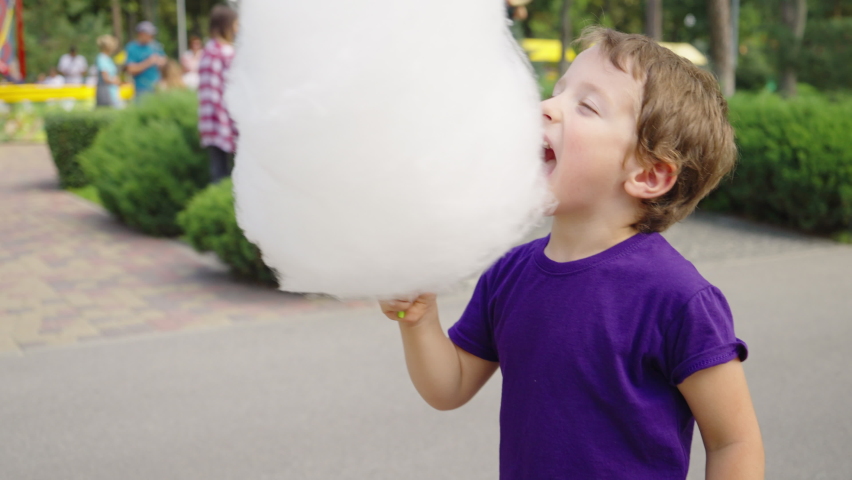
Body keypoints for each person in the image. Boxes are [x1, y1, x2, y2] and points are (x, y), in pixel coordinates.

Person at [379, 27, 764, 480]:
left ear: (649, 175)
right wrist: (420, 320)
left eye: (586, 105)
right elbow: (451, 386)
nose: (545, 107)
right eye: (557, 91)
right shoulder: (510, 275)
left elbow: (733, 440)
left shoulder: (677, 298)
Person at [198, 5, 239, 183]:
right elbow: (221, 94)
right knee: (232, 179)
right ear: (227, 25)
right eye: (235, 24)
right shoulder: (225, 53)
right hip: (225, 124)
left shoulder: (207, 51)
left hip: (210, 124)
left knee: (218, 174)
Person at [125, 21, 167, 99]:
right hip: (142, 89)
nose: (151, 36)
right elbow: (130, 69)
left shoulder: (156, 46)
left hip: (157, 87)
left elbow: (165, 62)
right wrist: (149, 62)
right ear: (141, 34)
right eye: (149, 34)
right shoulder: (132, 48)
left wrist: (161, 62)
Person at [95, 35, 122, 108]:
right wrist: (116, 82)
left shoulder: (107, 58)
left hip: (113, 92)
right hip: (107, 93)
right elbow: (105, 78)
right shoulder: (101, 58)